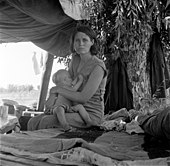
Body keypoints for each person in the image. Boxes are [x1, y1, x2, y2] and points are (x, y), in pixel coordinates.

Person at [27, 25, 107, 131]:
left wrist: (57, 90)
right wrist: (53, 101)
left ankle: (47, 146)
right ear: (73, 44)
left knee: (46, 121)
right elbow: (68, 85)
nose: (81, 44)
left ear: (92, 42)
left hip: (89, 114)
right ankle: (32, 147)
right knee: (32, 121)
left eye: (85, 40)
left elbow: (83, 97)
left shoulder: (98, 66)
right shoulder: (75, 60)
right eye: (77, 41)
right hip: (71, 107)